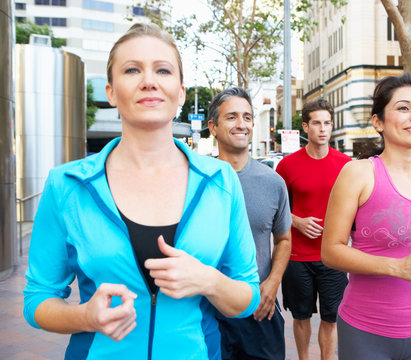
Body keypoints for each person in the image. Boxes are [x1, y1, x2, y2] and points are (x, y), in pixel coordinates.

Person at [23, 23, 260, 360]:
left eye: (162, 70)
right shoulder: (67, 185)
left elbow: (247, 297)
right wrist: (84, 316)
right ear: (111, 91)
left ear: (179, 92)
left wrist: (209, 281)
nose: (148, 80)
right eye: (132, 69)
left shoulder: (220, 180)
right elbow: (37, 299)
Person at [321, 73, 411, 360]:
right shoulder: (358, 173)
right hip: (366, 331)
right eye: (403, 108)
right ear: (378, 122)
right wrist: (398, 267)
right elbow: (330, 251)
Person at [208, 87, 292, 360]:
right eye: (231, 117)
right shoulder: (195, 180)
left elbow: (284, 239)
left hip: (258, 309)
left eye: (247, 117)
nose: (241, 124)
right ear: (213, 127)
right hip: (206, 310)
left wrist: (273, 282)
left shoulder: (273, 182)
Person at [275, 98, 350, 360]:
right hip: (297, 257)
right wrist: (297, 221)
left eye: (327, 123)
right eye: (316, 123)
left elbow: (355, 209)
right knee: (300, 316)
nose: (322, 128)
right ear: (305, 127)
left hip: (334, 255)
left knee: (331, 318)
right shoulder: (287, 165)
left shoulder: (345, 165)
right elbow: (278, 208)